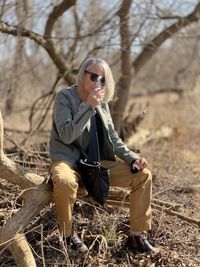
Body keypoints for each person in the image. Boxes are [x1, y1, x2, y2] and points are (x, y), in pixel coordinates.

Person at [49, 57, 158, 254]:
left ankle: (137, 237)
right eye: (94, 77)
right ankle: (67, 235)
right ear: (82, 74)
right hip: (68, 161)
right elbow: (66, 135)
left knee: (143, 175)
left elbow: (113, 138)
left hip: (95, 163)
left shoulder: (102, 103)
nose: (98, 83)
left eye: (103, 80)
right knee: (64, 181)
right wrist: (88, 107)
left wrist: (132, 158)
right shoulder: (64, 98)